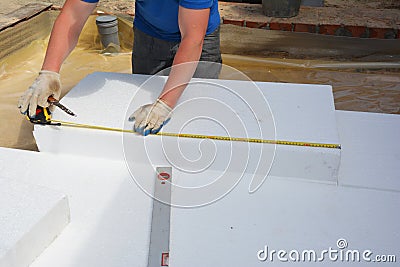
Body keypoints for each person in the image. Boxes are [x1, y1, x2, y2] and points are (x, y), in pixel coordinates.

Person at [18, 0, 222, 136]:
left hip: (199, 38)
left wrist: (165, 103)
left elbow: (193, 39)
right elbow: (73, 15)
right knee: (143, 119)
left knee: (193, 114)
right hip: (149, 34)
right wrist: (48, 73)